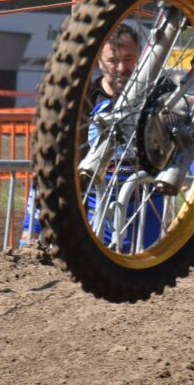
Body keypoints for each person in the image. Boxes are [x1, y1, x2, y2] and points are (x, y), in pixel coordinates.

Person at [21, 24, 142, 248]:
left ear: (140, 57)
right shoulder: (82, 101)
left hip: (144, 207)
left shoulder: (152, 97)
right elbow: (49, 161)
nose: (121, 68)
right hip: (95, 203)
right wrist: (32, 227)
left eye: (128, 59)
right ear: (98, 61)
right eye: (113, 60)